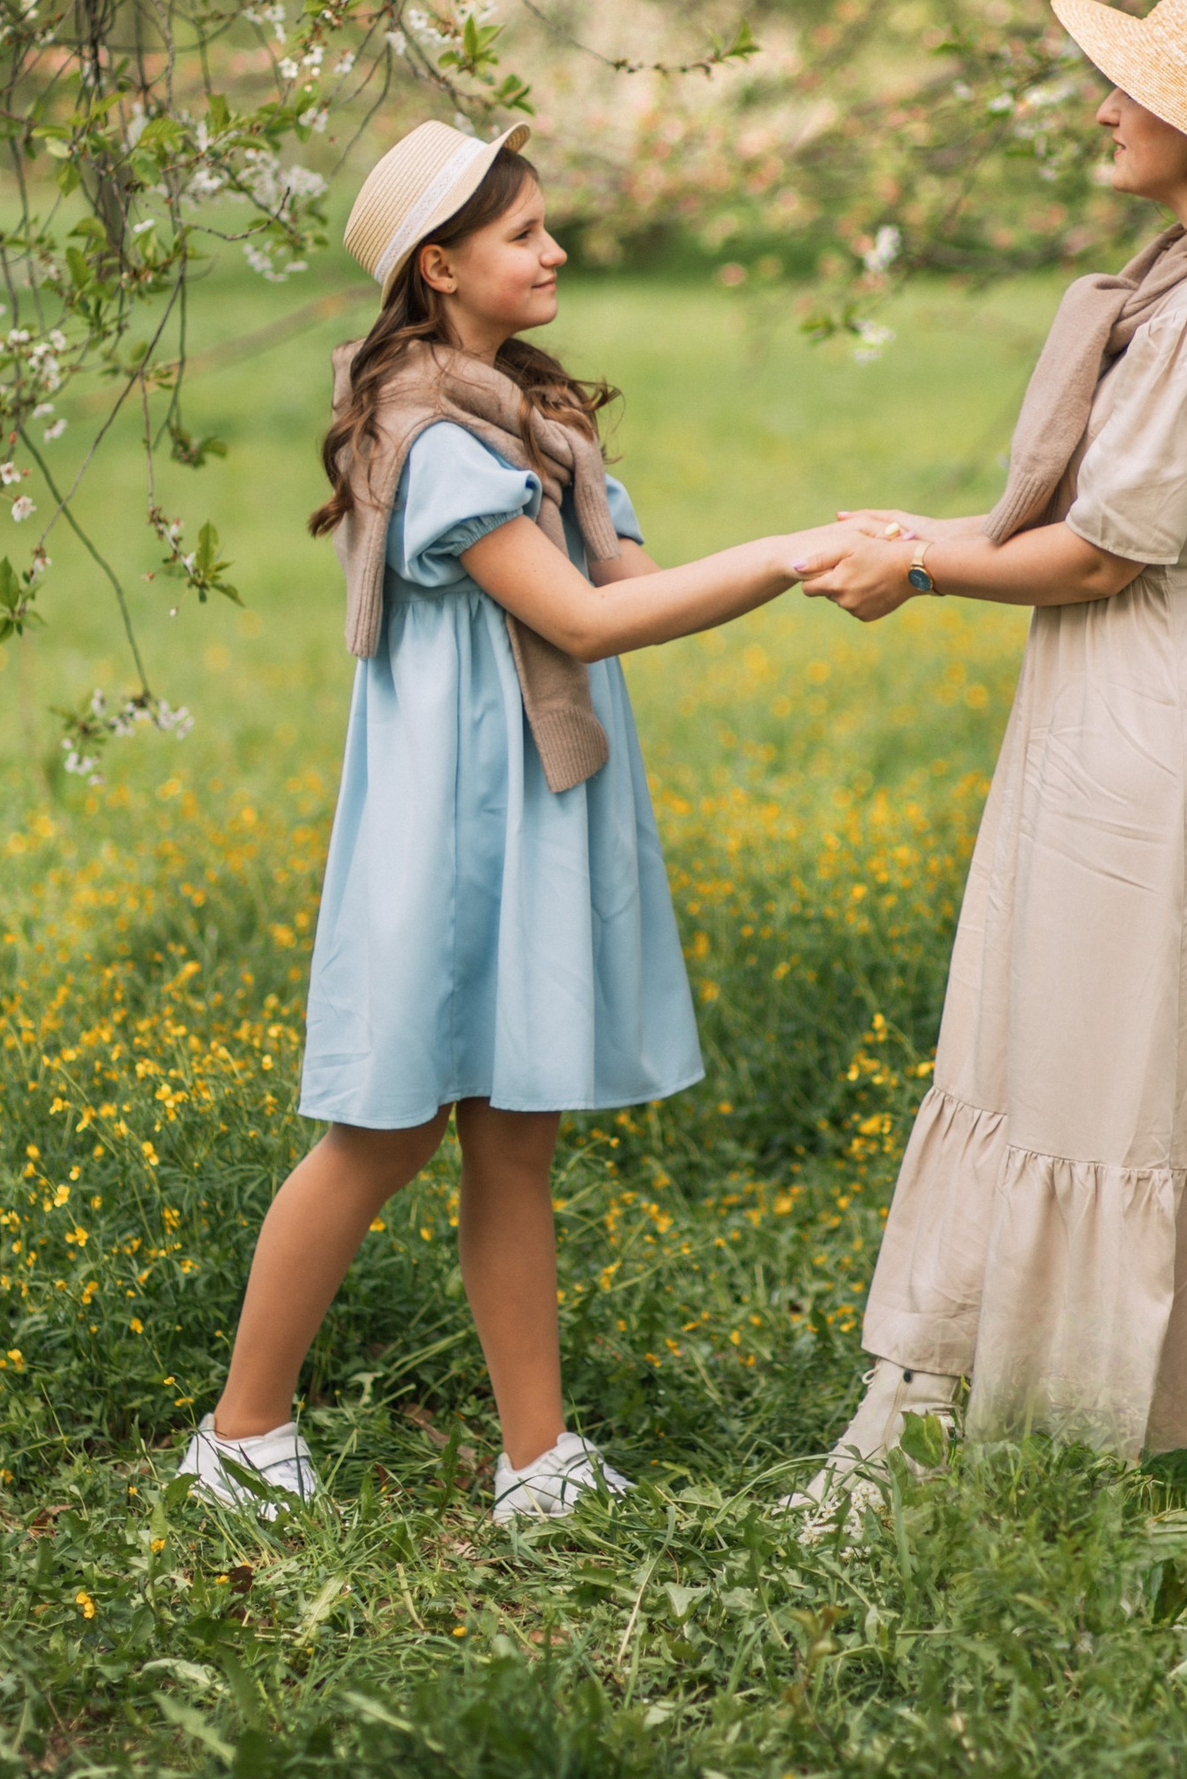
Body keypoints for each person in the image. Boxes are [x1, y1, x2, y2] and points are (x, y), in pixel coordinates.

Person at [182, 118, 844, 1527]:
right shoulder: (427, 438)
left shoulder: (534, 413)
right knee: (387, 1127)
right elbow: (584, 616)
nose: (556, 249)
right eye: (524, 230)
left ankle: (535, 1460)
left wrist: (751, 553)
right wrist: (789, 553)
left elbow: (630, 573)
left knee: (515, 1133)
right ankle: (242, 1429)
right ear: (440, 265)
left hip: (536, 802)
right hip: (452, 816)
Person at [794, 0, 1187, 1509]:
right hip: (1162, 688)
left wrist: (920, 565)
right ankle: (1121, 1404)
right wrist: (922, 525)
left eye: (1139, 89)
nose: (1106, 106)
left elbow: (1106, 548)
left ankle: (1082, 1413)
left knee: (1116, 1048)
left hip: (1155, 714)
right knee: (1109, 1042)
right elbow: (1106, 529)